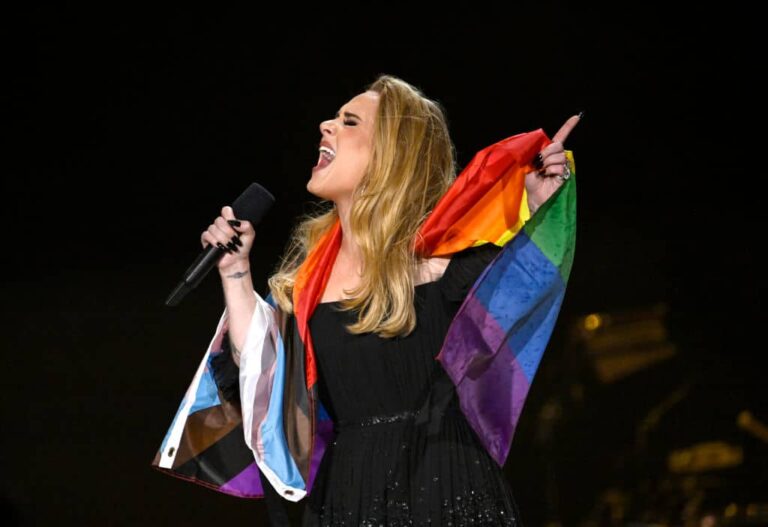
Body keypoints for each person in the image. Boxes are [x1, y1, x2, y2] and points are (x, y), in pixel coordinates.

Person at [152, 74, 579, 526]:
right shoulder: (306, 285)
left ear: (391, 153)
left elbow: (525, 297)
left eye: (349, 121)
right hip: (348, 496)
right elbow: (261, 380)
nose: (326, 126)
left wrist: (538, 207)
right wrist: (235, 273)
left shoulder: (444, 266)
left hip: (446, 491)